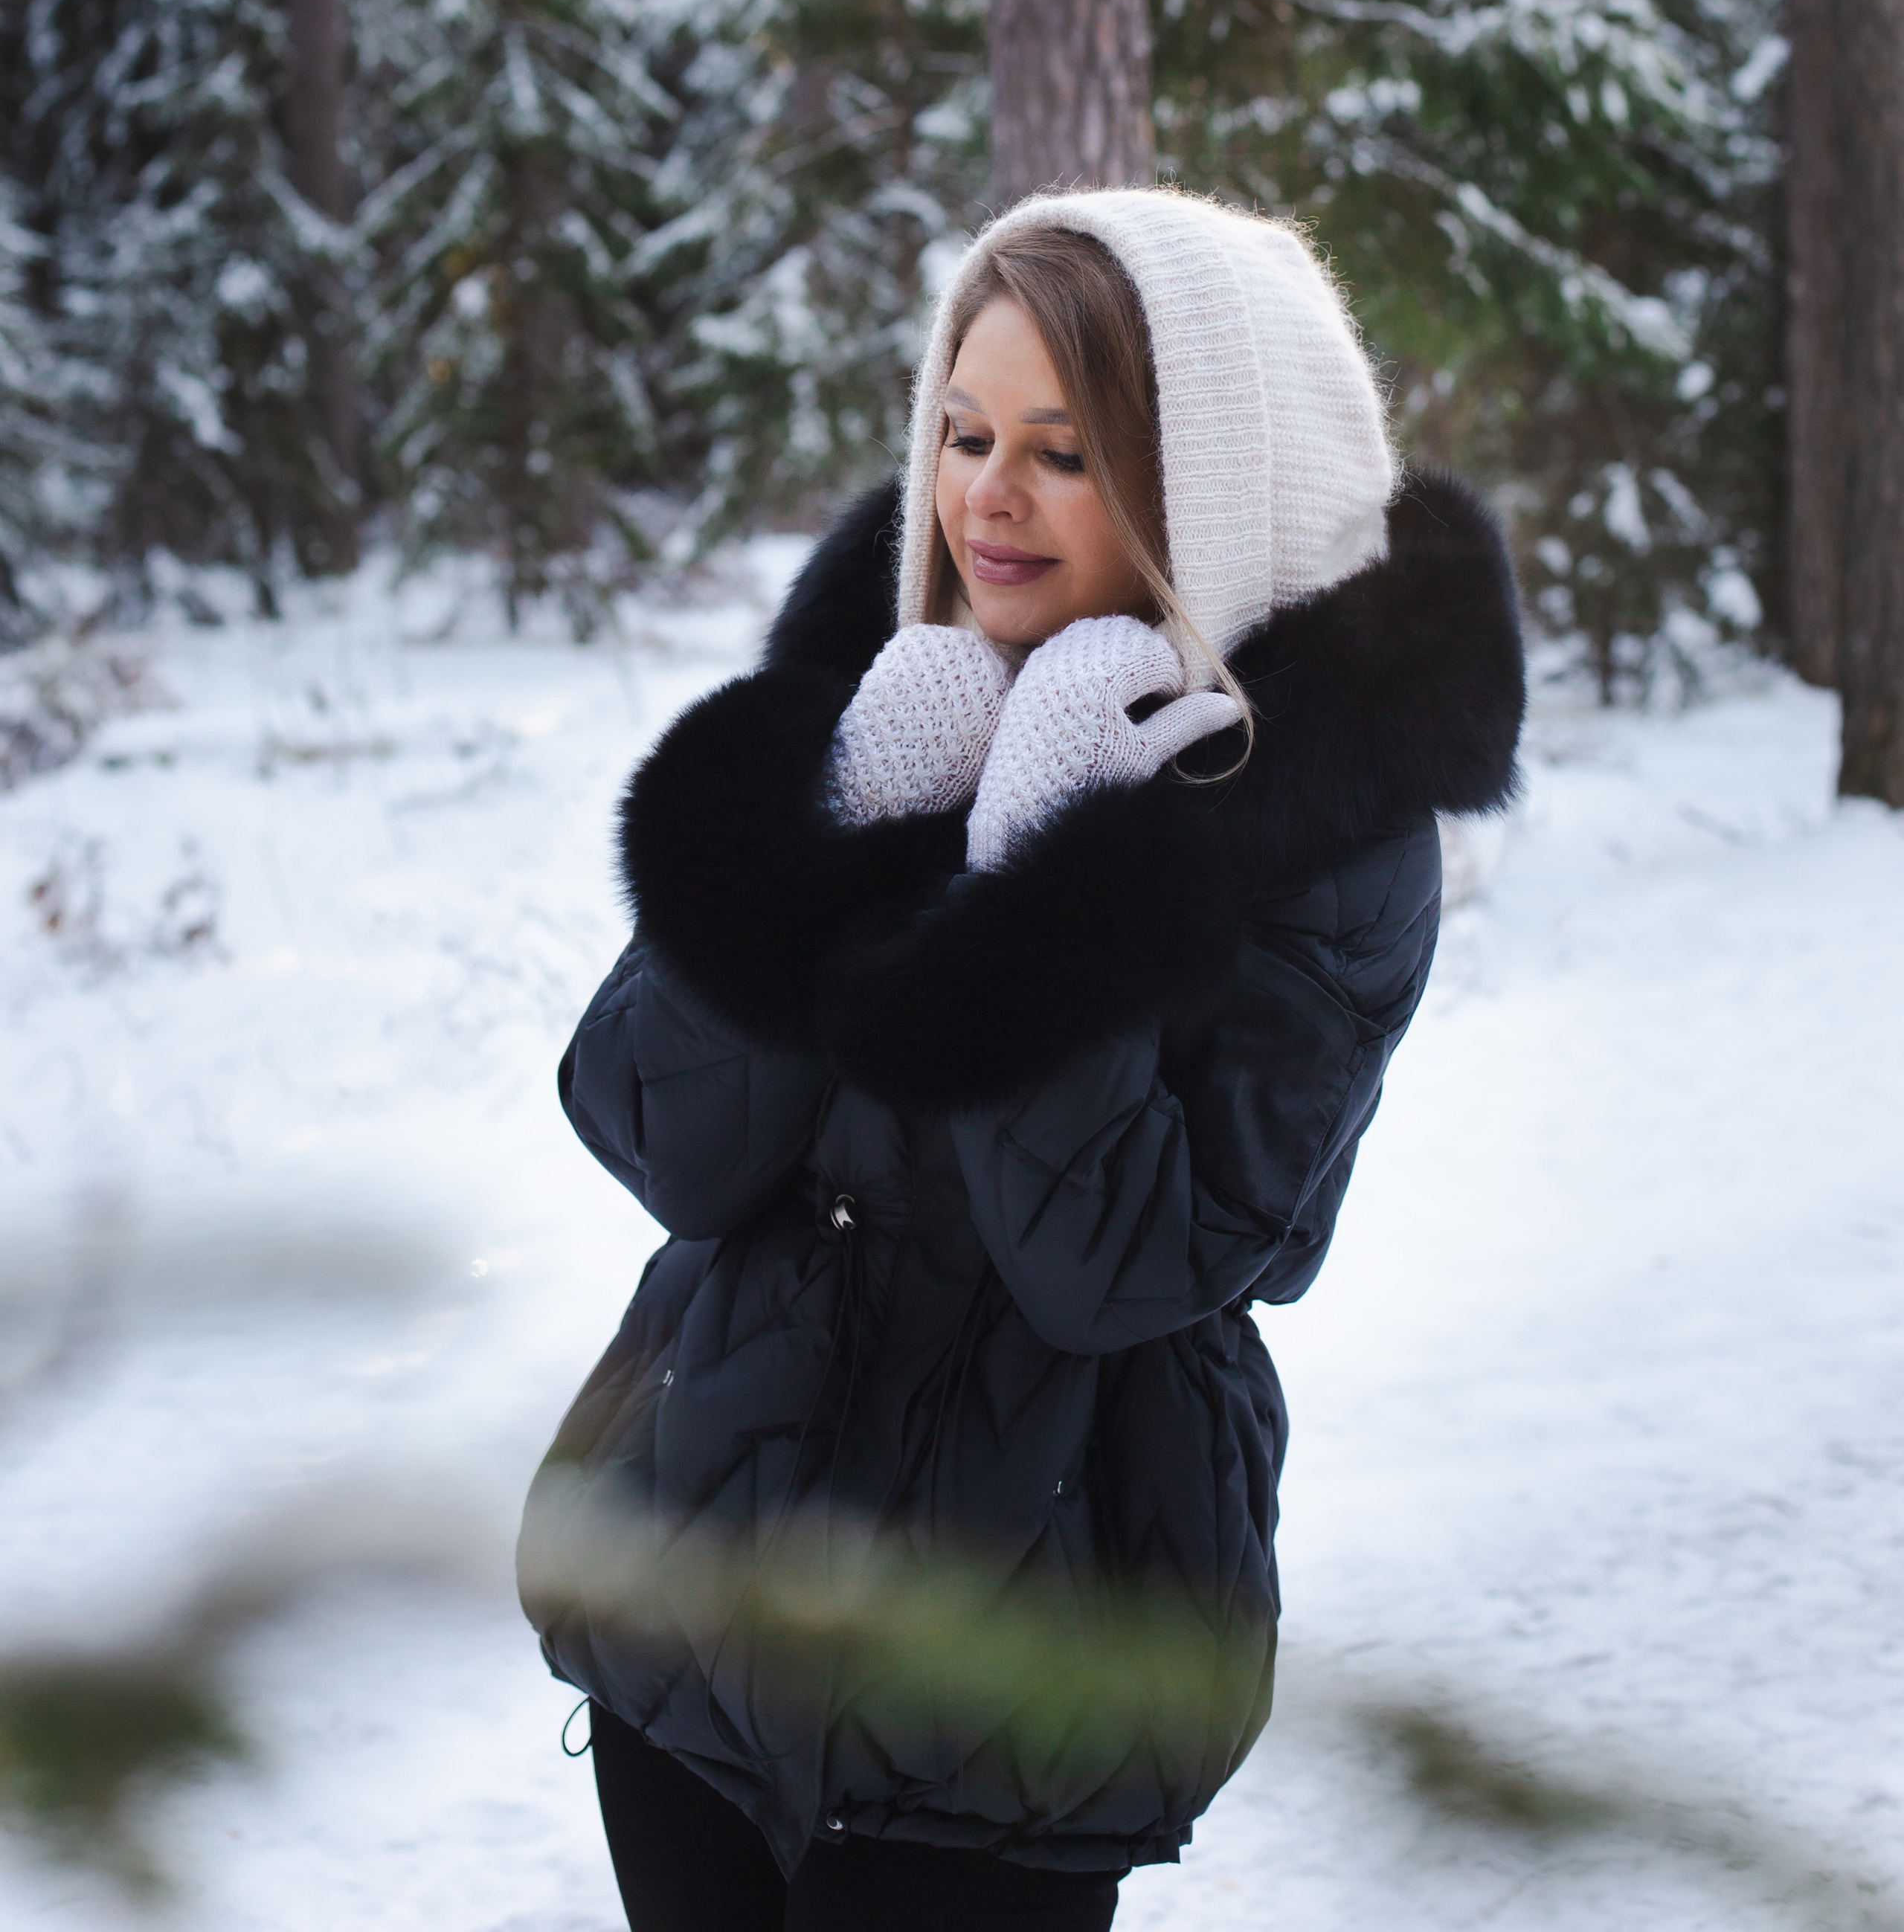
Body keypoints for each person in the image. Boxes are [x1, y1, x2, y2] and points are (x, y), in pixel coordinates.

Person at [518, 187, 1525, 1932]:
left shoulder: (1321, 839)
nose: (984, 495)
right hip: (694, 1605)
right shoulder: (892, 681)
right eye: (964, 433)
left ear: (1204, 477)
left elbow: (1118, 1266)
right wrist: (841, 811)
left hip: (1016, 1699)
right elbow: (649, 1129)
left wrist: (1046, 868)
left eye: (1060, 453)